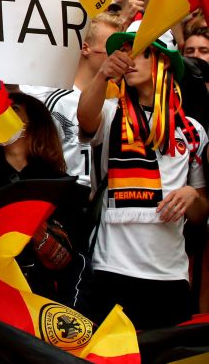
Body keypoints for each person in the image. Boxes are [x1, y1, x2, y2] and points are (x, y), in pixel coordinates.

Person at [77, 21, 208, 329]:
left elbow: (202, 211)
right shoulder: (111, 112)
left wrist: (192, 195)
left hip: (170, 276)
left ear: (162, 61)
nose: (129, 59)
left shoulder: (192, 130)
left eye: (140, 52)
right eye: (124, 52)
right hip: (113, 271)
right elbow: (85, 116)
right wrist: (103, 74)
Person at [0, 93, 84, 302]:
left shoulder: (60, 185)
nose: (3, 116)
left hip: (43, 299)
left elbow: (74, 254)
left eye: (14, 109)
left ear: (34, 122)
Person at [21, 13, 122, 189]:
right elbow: (38, 156)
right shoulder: (57, 101)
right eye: (111, 47)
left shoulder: (116, 101)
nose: (118, 55)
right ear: (85, 48)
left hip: (102, 203)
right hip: (65, 198)